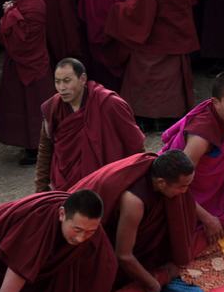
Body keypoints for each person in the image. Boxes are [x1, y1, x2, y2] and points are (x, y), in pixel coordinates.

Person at [70, 150, 197, 292]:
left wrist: (207, 219)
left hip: (137, 241)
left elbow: (189, 203)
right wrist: (150, 282)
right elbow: (123, 255)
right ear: (161, 183)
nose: (185, 191)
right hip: (98, 248)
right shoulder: (134, 201)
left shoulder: (157, 169)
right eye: (182, 186)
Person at [161, 71, 224, 245]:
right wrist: (207, 218)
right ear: (216, 103)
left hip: (214, 192)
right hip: (186, 195)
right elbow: (175, 184)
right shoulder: (201, 136)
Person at [34, 58, 145, 193]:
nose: (62, 87)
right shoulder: (53, 108)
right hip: (67, 188)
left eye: (67, 81)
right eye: (57, 82)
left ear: (83, 79)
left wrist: (144, 179)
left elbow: (135, 143)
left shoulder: (108, 103)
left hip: (107, 184)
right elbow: (45, 149)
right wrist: (41, 189)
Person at [103, 0, 201, 130]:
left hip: (153, 37)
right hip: (177, 32)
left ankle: (146, 119)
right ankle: (166, 119)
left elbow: (139, 11)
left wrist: (117, 10)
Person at [0, 0, 51, 166]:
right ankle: (31, 145)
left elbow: (23, 43)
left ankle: (38, 147)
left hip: (31, 64)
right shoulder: (24, 0)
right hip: (19, 65)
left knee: (35, 105)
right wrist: (13, 11)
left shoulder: (35, 5)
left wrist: (10, 13)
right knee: (24, 103)